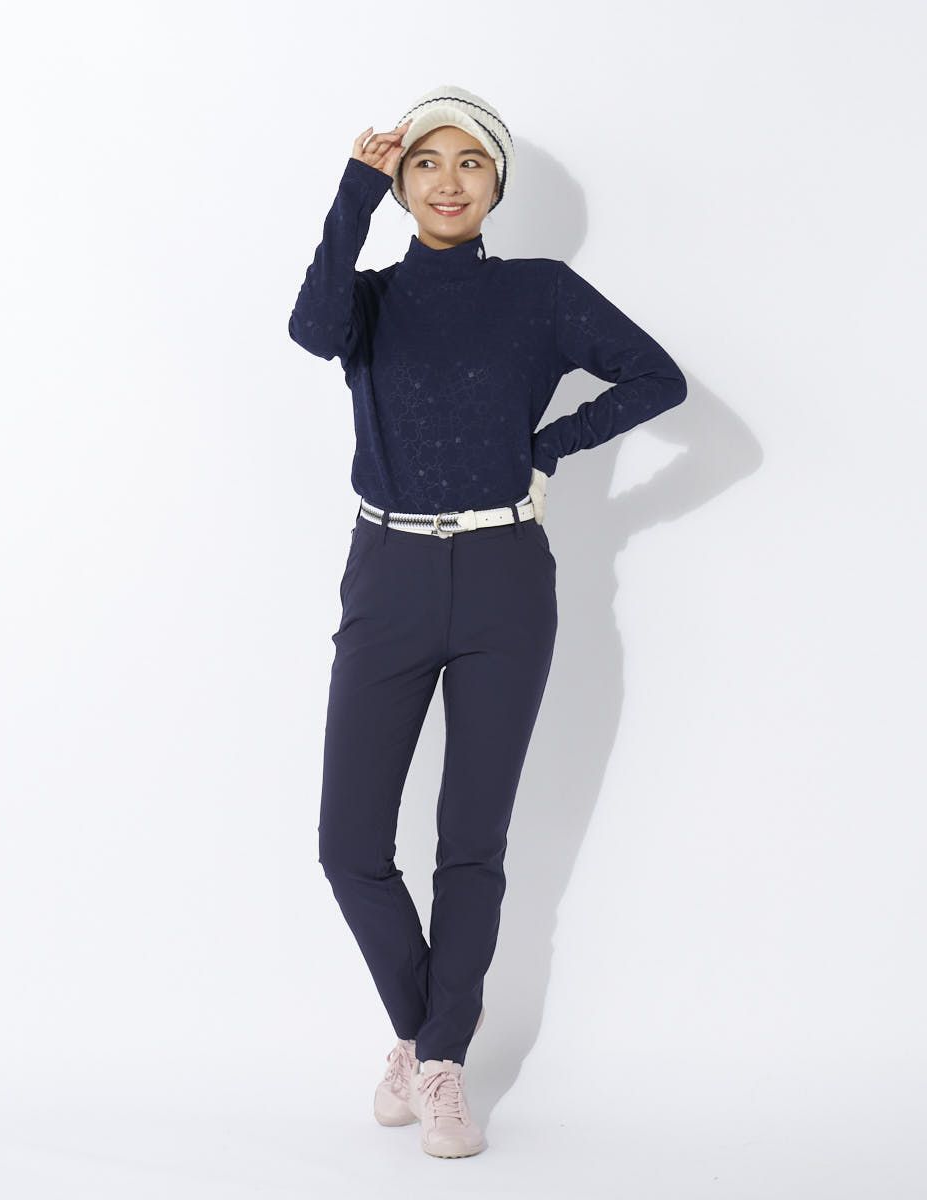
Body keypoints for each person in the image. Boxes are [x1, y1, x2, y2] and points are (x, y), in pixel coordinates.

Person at [288, 84, 687, 1159]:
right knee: (348, 844)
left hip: (508, 574)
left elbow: (657, 379)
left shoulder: (539, 292)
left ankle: (441, 1064)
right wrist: (352, 189)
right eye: (425, 162)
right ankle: (421, 1033)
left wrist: (548, 446)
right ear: (400, 180)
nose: (448, 181)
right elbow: (309, 328)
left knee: (473, 840)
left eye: (471, 162)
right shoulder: (366, 300)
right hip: (387, 572)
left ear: (497, 183)